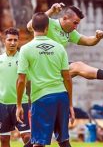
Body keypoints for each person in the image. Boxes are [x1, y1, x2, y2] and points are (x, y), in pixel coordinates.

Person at [27, 3, 103, 85]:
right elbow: (30, 26)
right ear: (65, 18)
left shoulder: (70, 33)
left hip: (55, 68)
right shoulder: (49, 23)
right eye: (75, 23)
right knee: (78, 67)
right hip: (43, 67)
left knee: (78, 66)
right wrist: (51, 10)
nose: (76, 27)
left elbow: (87, 41)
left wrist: (97, 38)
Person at [16, 12, 74, 147]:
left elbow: (21, 80)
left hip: (42, 99)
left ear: (32, 27)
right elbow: (67, 78)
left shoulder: (26, 49)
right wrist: (70, 104)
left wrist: (19, 105)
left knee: (38, 143)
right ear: (47, 28)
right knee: (63, 141)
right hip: (61, 97)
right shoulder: (60, 48)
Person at [0, 28, 32, 147]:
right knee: (3, 139)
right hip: (2, 105)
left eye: (15, 40)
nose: (12, 43)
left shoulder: (24, 59)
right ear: (4, 41)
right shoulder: (0, 59)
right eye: (9, 40)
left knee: (27, 137)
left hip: (21, 104)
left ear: (18, 42)